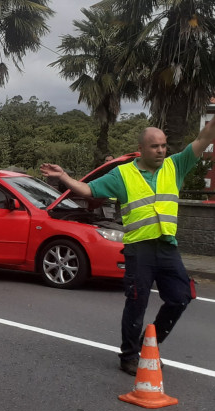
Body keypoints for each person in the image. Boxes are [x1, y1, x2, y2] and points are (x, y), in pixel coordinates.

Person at [40, 118, 215, 376]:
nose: (161, 151)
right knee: (137, 302)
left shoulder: (175, 166)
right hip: (138, 249)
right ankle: (129, 356)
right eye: (155, 146)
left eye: (164, 146)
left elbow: (204, 138)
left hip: (167, 247)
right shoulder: (122, 175)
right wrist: (64, 176)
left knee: (181, 297)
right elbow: (88, 190)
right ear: (141, 148)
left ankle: (150, 343)